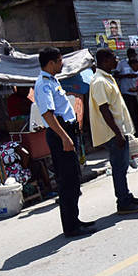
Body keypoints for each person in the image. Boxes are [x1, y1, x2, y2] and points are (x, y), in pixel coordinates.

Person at [34, 47, 96, 237]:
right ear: (51, 62)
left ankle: (75, 220)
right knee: (67, 181)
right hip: (59, 133)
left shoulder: (52, 80)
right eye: (60, 61)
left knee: (73, 179)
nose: (62, 64)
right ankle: (70, 227)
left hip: (65, 131)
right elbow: (47, 114)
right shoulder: (43, 83)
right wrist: (64, 137)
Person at [89, 48, 138, 215]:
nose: (117, 61)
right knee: (119, 167)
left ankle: (127, 196)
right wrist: (118, 133)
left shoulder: (107, 78)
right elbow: (104, 110)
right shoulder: (99, 81)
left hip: (118, 130)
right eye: (114, 58)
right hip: (112, 133)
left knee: (122, 166)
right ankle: (122, 202)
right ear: (106, 60)